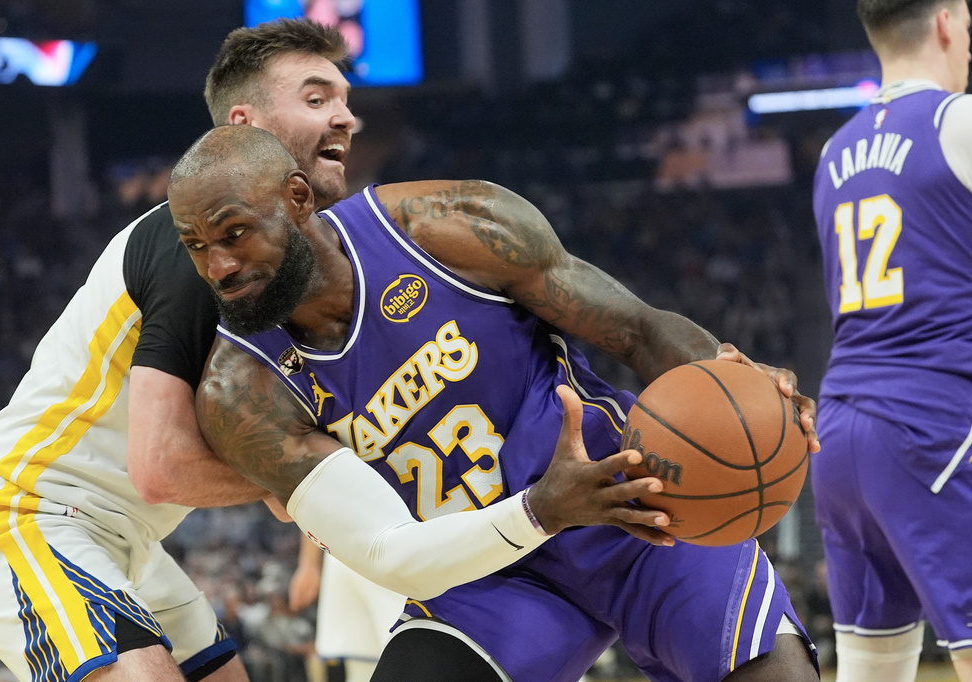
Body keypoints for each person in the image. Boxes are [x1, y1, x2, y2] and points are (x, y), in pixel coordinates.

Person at [168, 123, 823, 682]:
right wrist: (539, 511)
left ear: (298, 199)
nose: (218, 267)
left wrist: (738, 387)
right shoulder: (240, 392)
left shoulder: (441, 226)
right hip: (479, 574)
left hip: (627, 499)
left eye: (234, 234)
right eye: (196, 246)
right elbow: (386, 550)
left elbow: (641, 331)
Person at [0, 18, 355, 682]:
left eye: (343, 99)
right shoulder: (192, 241)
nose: (342, 117)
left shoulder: (293, 274)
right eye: (315, 100)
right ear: (246, 122)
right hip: (28, 508)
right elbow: (162, 469)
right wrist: (310, 471)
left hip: (129, 536)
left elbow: (286, 488)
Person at [810, 1, 972, 680]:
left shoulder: (831, 150)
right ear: (944, 21)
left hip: (840, 434)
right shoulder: (957, 120)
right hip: (931, 425)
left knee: (872, 673)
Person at [288, 538, 404, 682]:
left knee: (374, 667)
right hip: (390, 546)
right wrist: (309, 563)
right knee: (373, 666)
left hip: (344, 549)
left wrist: (309, 563)